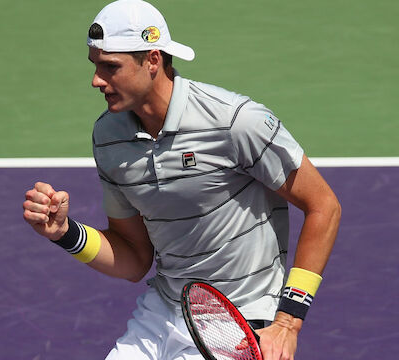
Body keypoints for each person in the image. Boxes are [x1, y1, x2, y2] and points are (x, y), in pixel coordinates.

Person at [23, 0, 341, 359]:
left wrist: (287, 322)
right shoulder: (109, 137)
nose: (97, 80)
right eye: (96, 66)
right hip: (162, 312)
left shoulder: (235, 121)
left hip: (238, 320)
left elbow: (324, 207)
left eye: (111, 67)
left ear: (153, 61)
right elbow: (135, 259)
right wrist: (65, 233)